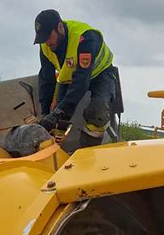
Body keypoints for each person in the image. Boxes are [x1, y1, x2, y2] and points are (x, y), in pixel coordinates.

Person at [34, 9, 117, 147]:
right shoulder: (45, 46)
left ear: (60, 27)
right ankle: (53, 156)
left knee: (98, 111)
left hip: (101, 74)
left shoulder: (85, 37)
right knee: (57, 120)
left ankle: (87, 153)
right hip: (69, 79)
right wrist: (45, 113)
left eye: (48, 37)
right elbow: (47, 80)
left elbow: (81, 81)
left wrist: (59, 111)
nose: (47, 43)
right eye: (43, 39)